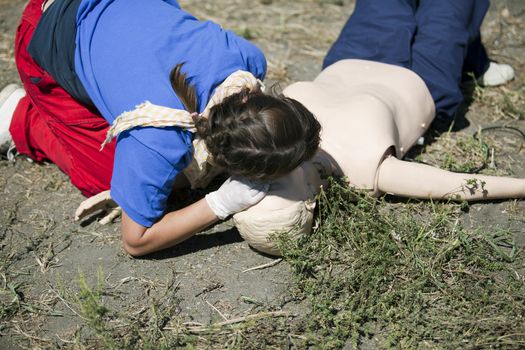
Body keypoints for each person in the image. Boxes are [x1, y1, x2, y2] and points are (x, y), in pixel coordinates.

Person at [0, 0, 321, 256]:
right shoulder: (159, 139)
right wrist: (221, 203)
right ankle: (19, 116)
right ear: (229, 165)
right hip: (43, 28)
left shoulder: (247, 59)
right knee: (105, 175)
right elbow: (136, 240)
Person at [232, 0, 522, 256]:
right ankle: (474, 61)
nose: (260, 184)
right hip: (424, 77)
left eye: (251, 187)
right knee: (449, 9)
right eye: (269, 191)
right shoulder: (364, 172)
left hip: (355, 56)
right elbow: (451, 185)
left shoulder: (266, 144)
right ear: (307, 200)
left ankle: (475, 57)